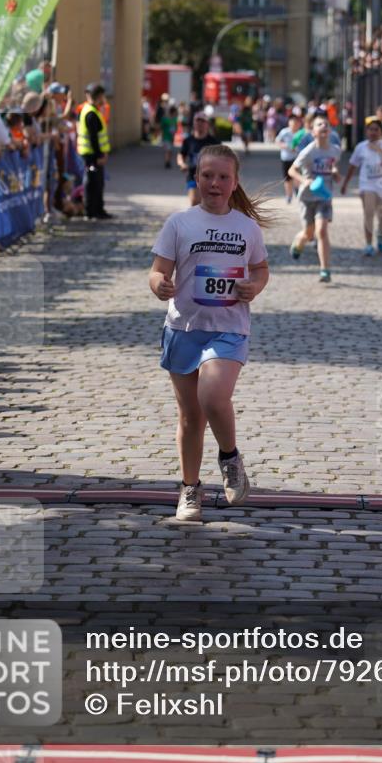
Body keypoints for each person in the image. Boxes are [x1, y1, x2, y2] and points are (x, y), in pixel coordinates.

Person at [149, 144, 270, 522]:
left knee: (213, 396)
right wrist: (159, 285)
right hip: (184, 327)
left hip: (228, 329)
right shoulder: (179, 223)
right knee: (190, 417)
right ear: (196, 178)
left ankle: (230, 458)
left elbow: (261, 269)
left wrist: (255, 286)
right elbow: (157, 271)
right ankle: (190, 490)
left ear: (234, 183)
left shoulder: (246, 228)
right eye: (207, 176)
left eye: (222, 177)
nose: (214, 183)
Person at [287, 113, 342, 283]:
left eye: (326, 124)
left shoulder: (335, 150)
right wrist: (305, 180)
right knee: (309, 234)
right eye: (320, 125)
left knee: (322, 231)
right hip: (307, 197)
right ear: (313, 132)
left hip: (324, 197)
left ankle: (325, 270)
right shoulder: (309, 151)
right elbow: (291, 171)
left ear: (330, 130)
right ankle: (299, 242)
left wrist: (335, 173)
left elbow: (334, 168)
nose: (324, 126)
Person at [340, 115, 382, 255]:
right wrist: (345, 183)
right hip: (367, 185)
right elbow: (352, 166)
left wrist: (378, 149)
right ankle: (369, 244)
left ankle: (380, 234)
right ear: (366, 132)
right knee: (368, 214)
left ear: (381, 132)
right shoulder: (361, 147)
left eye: (376, 130)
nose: (373, 132)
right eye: (370, 129)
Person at [76, 82, 112, 221]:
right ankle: (91, 211)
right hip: (92, 155)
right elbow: (93, 138)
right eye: (103, 96)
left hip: (93, 154)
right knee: (93, 183)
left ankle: (98, 209)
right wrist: (99, 156)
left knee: (98, 182)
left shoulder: (92, 110)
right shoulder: (91, 113)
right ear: (98, 97)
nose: (104, 99)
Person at [177, 112, 213, 206]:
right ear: (194, 123)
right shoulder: (188, 140)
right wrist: (182, 164)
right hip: (193, 175)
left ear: (207, 124)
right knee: (194, 200)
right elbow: (181, 154)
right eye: (198, 120)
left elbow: (223, 157)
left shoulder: (214, 142)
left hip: (211, 177)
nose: (200, 123)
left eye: (203, 121)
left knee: (206, 204)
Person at [275, 112, 302, 203]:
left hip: (297, 158)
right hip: (286, 158)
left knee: (297, 176)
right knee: (287, 178)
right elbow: (277, 141)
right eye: (292, 122)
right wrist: (285, 146)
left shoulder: (301, 133)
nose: (294, 124)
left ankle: (297, 190)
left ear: (299, 124)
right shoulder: (284, 132)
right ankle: (289, 195)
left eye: (296, 122)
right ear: (289, 123)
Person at [160, 102, 178, 169]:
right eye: (175, 112)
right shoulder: (164, 119)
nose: (176, 114)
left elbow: (176, 128)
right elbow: (161, 127)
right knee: (168, 149)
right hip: (166, 137)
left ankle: (168, 161)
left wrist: (174, 133)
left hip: (171, 137)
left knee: (170, 150)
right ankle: (167, 162)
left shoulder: (175, 120)